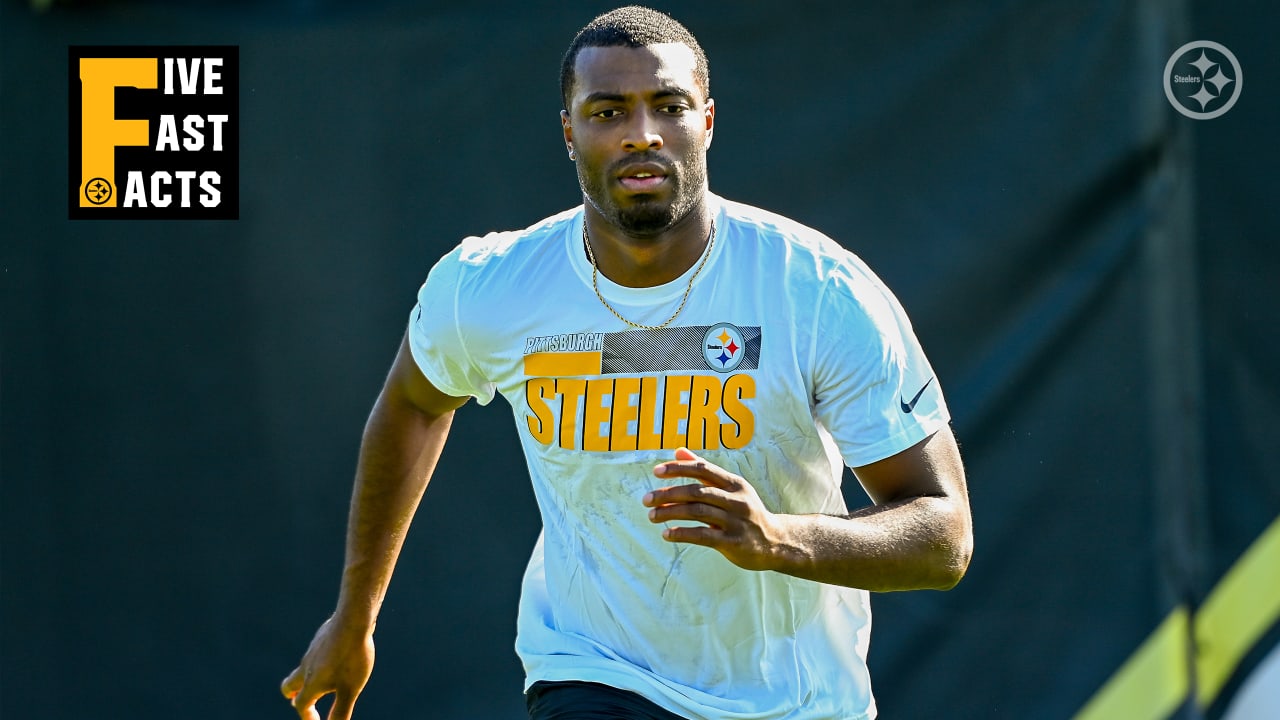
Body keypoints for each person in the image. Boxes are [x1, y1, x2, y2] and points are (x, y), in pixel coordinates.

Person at [281, 6, 972, 719]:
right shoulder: (491, 286)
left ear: (705, 122)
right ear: (569, 132)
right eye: (608, 111)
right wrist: (354, 617)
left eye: (667, 106)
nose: (641, 133)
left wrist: (777, 538)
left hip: (793, 700)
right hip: (592, 672)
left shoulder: (817, 291)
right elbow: (415, 404)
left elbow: (943, 535)